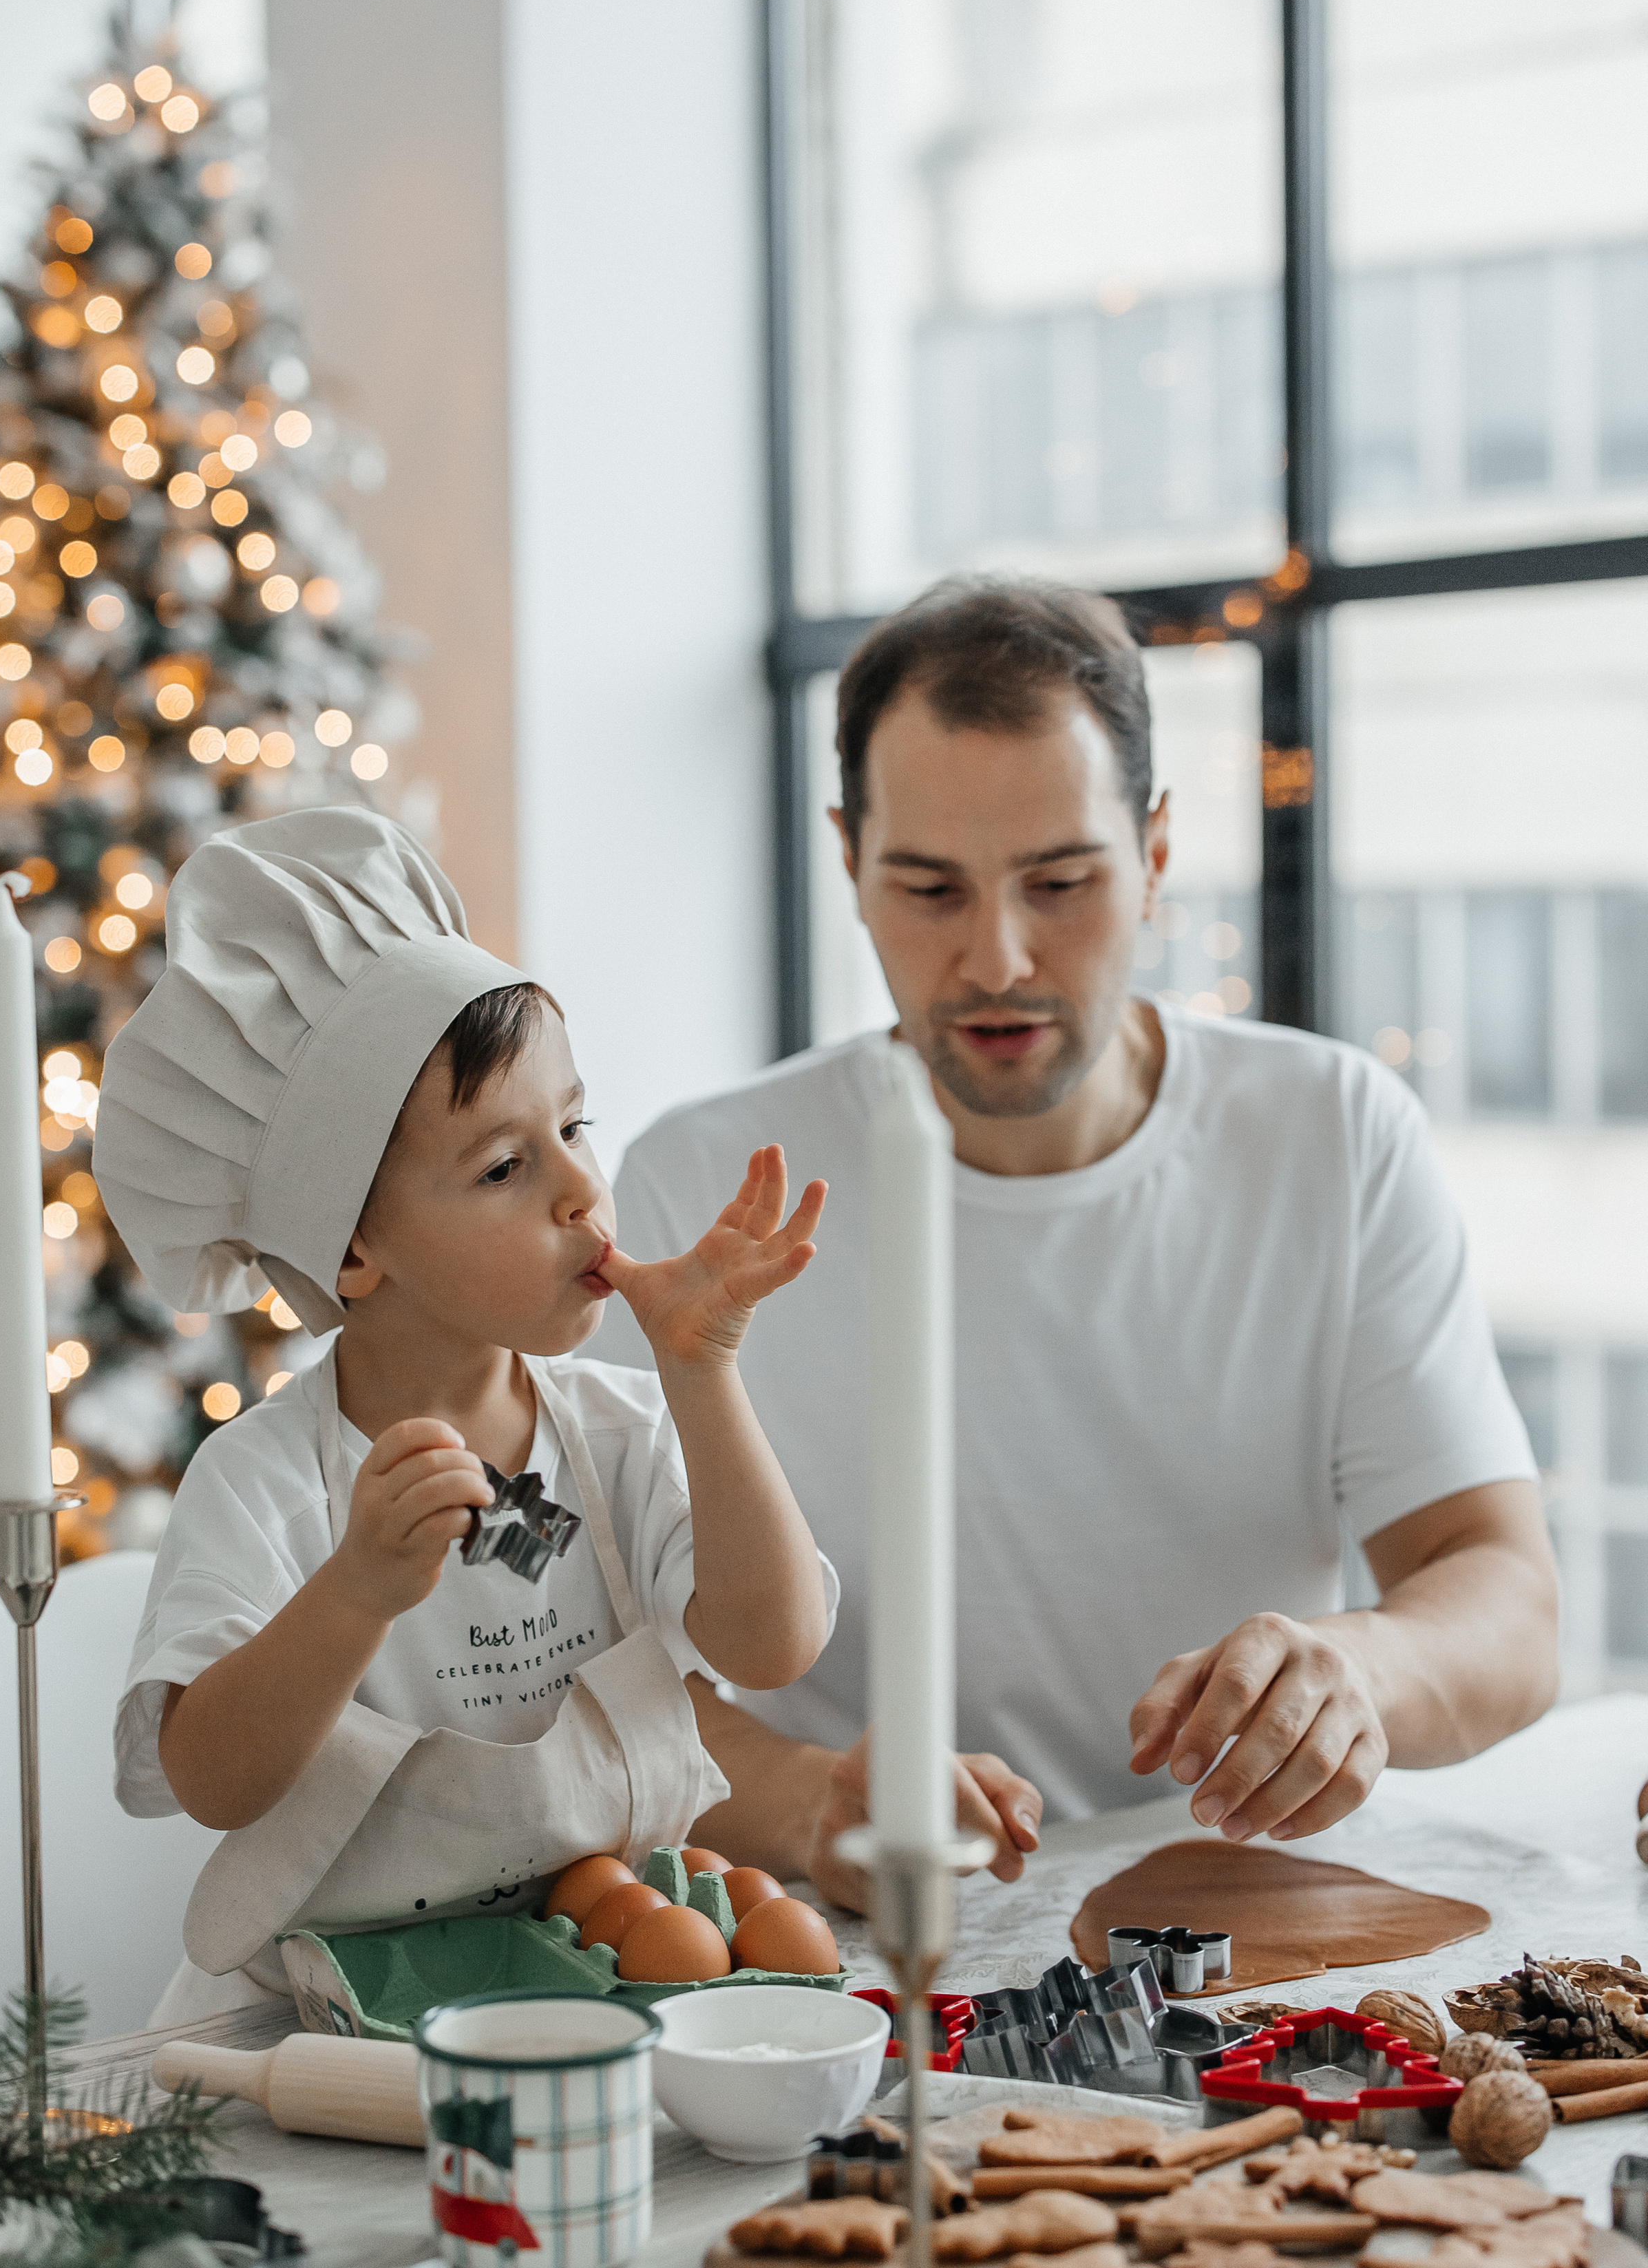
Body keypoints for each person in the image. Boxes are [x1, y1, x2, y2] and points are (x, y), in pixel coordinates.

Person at [599, 576, 1560, 1913]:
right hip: (849, 1959)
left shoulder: (1330, 1135)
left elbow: (1508, 1604)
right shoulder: (696, 1186)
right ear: (846, 863)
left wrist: (1360, 1675)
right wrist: (807, 1798)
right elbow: (583, 1666)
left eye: (1058, 882)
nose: (995, 959)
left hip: (1243, 1939)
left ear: (1156, 854)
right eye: (927, 888)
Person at [96, 807, 836, 2018]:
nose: (581, 1187)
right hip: (340, 2024)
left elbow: (774, 1644)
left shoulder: (618, 1433)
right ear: (352, 1254)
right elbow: (213, 1779)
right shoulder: (267, 1482)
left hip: (597, 1993)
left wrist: (704, 1373)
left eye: (574, 1126)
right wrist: (356, 1593)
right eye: (505, 1167)